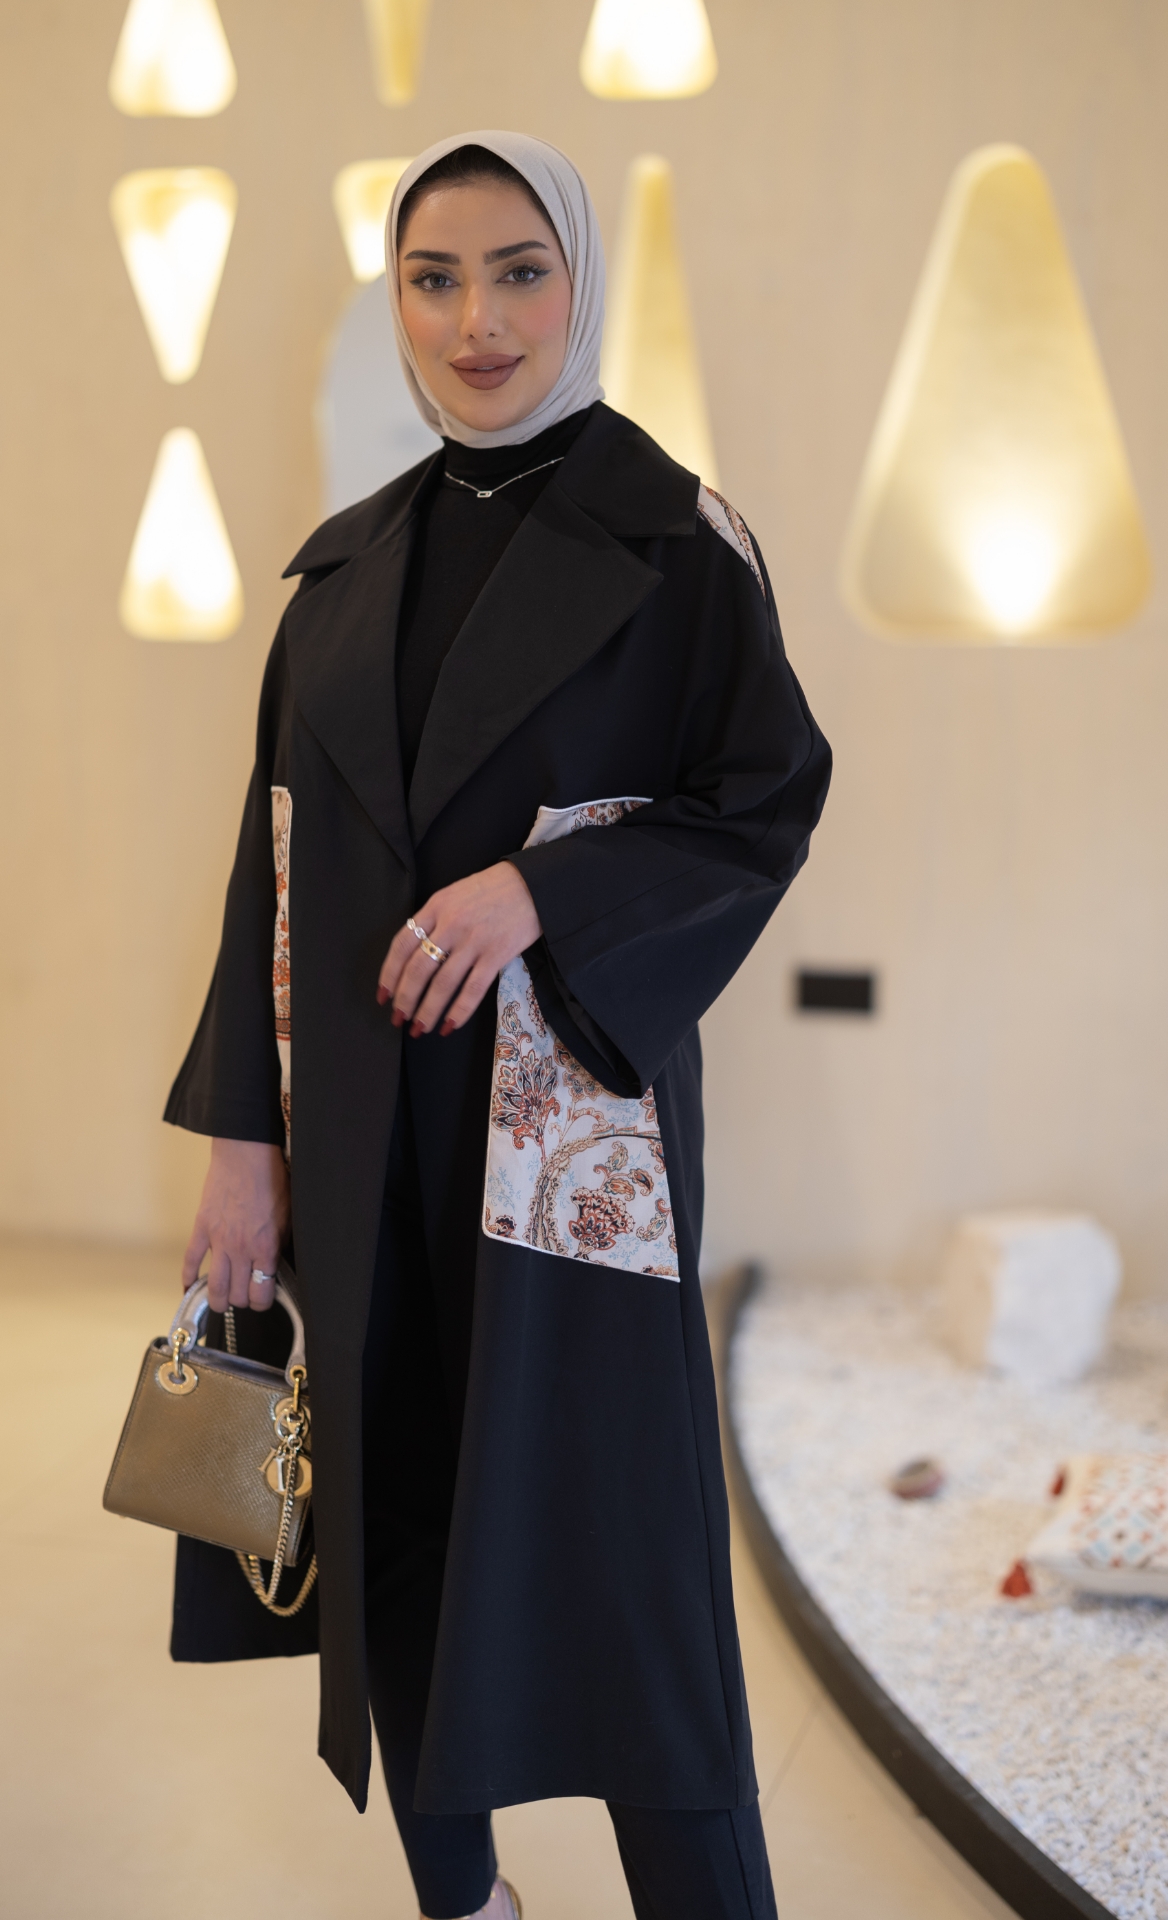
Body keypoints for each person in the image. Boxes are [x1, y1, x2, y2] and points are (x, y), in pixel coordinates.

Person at [164, 130, 831, 1920]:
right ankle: (463, 1897)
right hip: (361, 1136)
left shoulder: (681, 546)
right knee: (398, 1528)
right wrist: (243, 1141)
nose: (479, 321)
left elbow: (760, 802)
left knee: (626, 1570)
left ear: (581, 282)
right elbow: (269, 870)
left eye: (520, 272)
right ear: (396, 299)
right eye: (436, 277)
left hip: (565, 1159)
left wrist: (541, 894)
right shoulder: (344, 571)